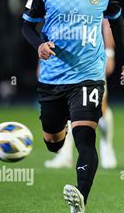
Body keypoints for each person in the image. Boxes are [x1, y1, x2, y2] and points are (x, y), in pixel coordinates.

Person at [21, 0, 124, 213]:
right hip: (53, 78)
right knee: (53, 142)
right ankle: (57, 139)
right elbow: (27, 25)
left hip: (88, 74)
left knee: (85, 137)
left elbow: (118, 24)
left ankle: (80, 197)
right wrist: (39, 45)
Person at [44, 19, 118, 169]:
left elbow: (108, 20)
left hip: (91, 55)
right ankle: (65, 154)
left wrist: (109, 53)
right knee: (65, 105)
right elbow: (48, 23)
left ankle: (107, 146)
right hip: (64, 55)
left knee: (99, 108)